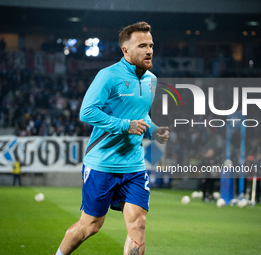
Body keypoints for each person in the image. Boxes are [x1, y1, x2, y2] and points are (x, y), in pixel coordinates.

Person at [54, 22, 169, 255]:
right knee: (90, 226)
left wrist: (153, 130)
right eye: (142, 46)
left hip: (134, 165)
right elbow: (87, 111)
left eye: (151, 45)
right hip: (102, 163)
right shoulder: (107, 76)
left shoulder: (151, 80)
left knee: (138, 225)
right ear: (125, 50)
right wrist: (125, 126)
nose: (149, 50)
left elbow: (140, 114)